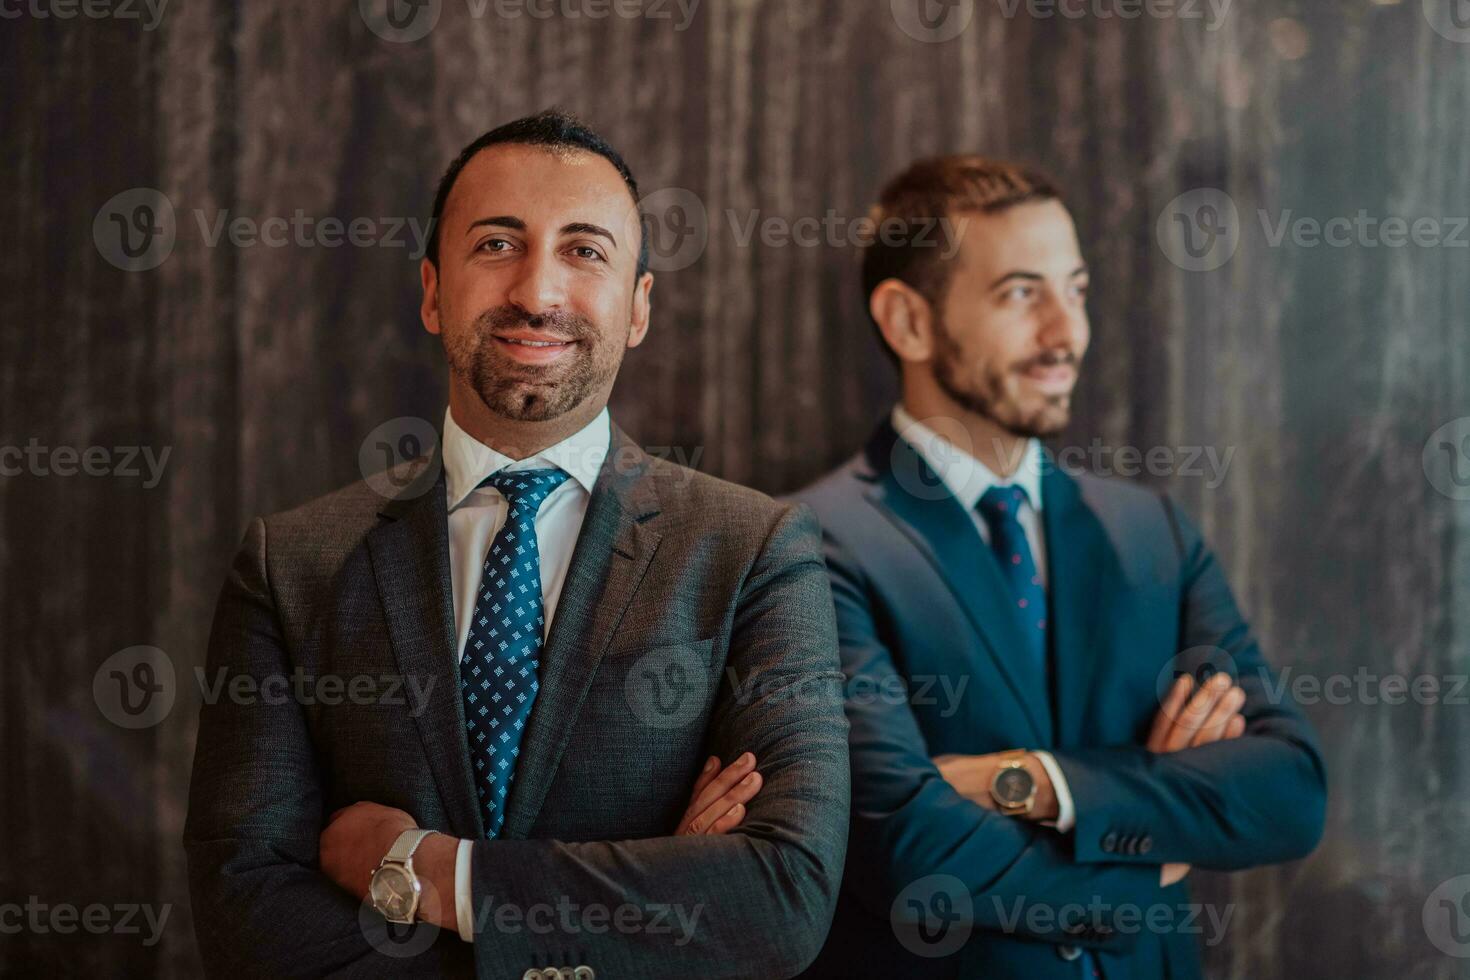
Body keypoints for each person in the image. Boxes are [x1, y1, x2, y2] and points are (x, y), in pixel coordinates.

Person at [184, 110, 848, 980]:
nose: (538, 291)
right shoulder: (291, 564)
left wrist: (426, 873)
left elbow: (779, 896)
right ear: (431, 291)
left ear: (639, 306)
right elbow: (246, 913)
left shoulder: (755, 551)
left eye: (585, 250)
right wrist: (646, 902)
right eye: (497, 244)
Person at [794, 156, 1326, 978]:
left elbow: (1288, 790)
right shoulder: (809, 543)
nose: (1066, 333)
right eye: (1020, 294)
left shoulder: (1151, 533)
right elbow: (905, 843)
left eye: (1074, 289)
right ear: (908, 322)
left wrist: (1032, 783)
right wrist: (1153, 857)